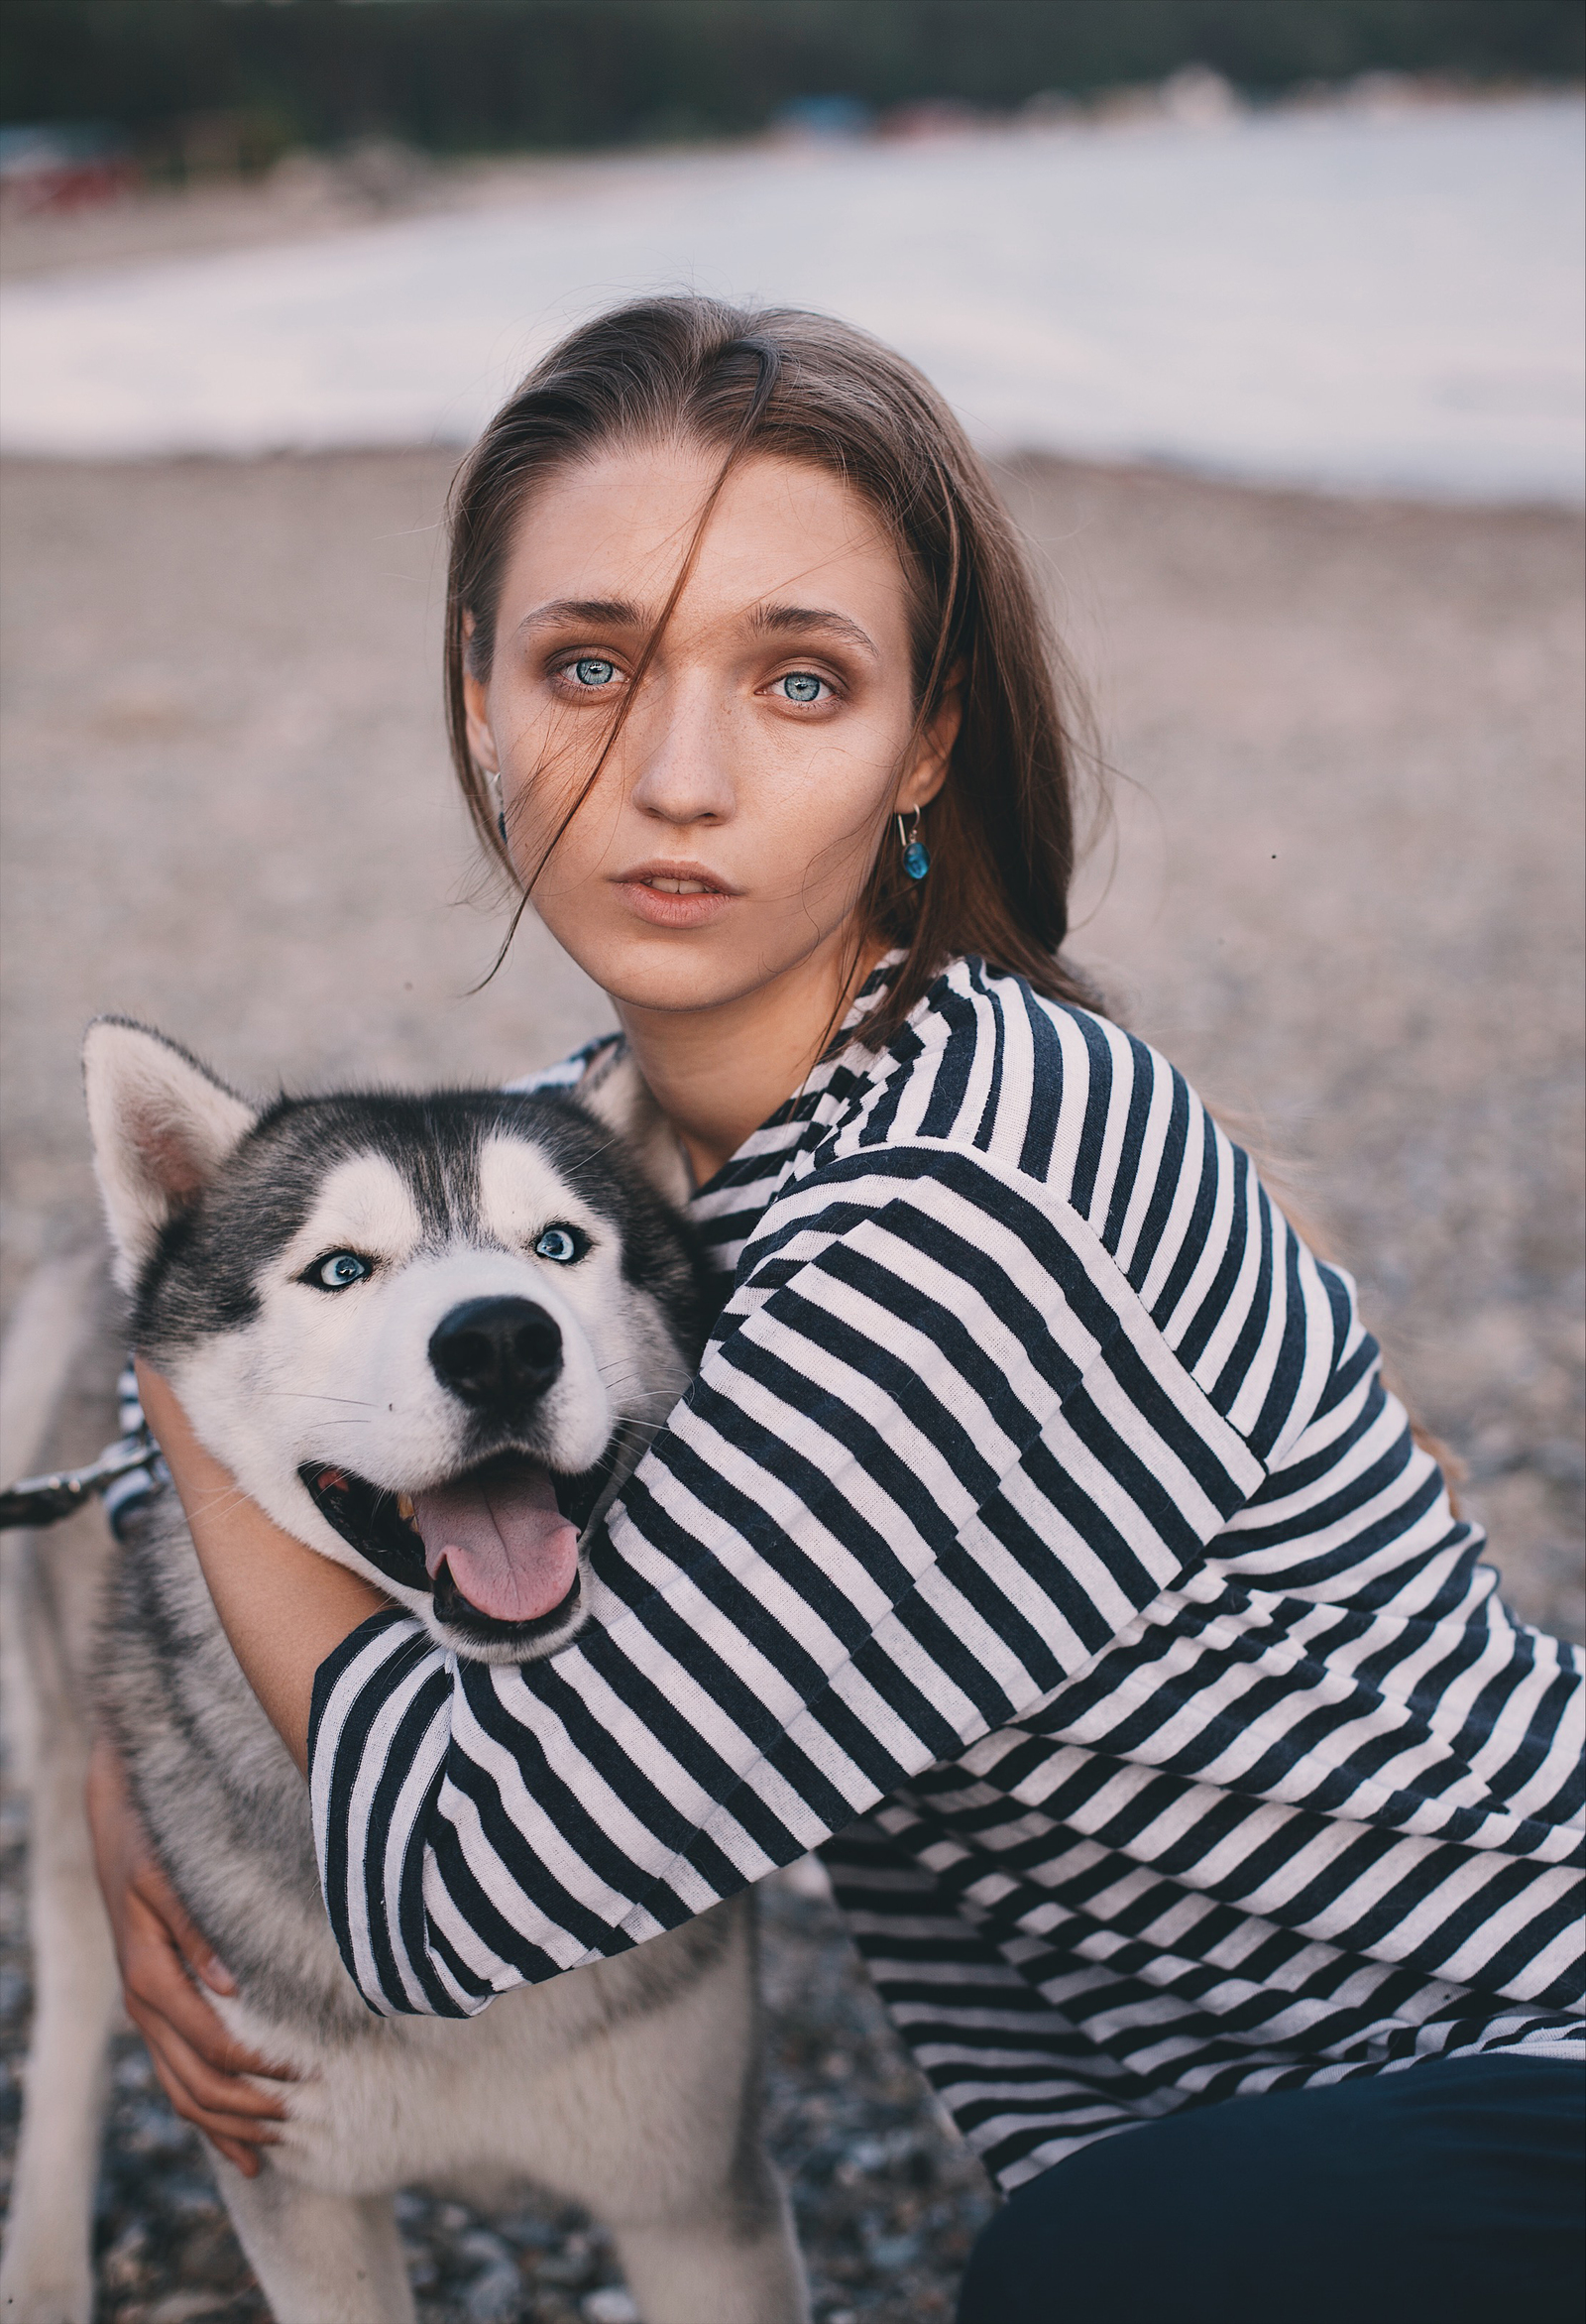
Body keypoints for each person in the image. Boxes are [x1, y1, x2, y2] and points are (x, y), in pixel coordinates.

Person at [88, 296, 1582, 2322]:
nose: (674, 774)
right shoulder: (594, 1154)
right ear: (477, 703)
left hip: (1512, 2048)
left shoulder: (973, 1192)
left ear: (923, 737)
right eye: (590, 662)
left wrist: (195, 1363)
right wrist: (126, 1779)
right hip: (1245, 2119)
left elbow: (457, 1888)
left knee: (1096, 2278)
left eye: (797, 678)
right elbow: (244, 1365)